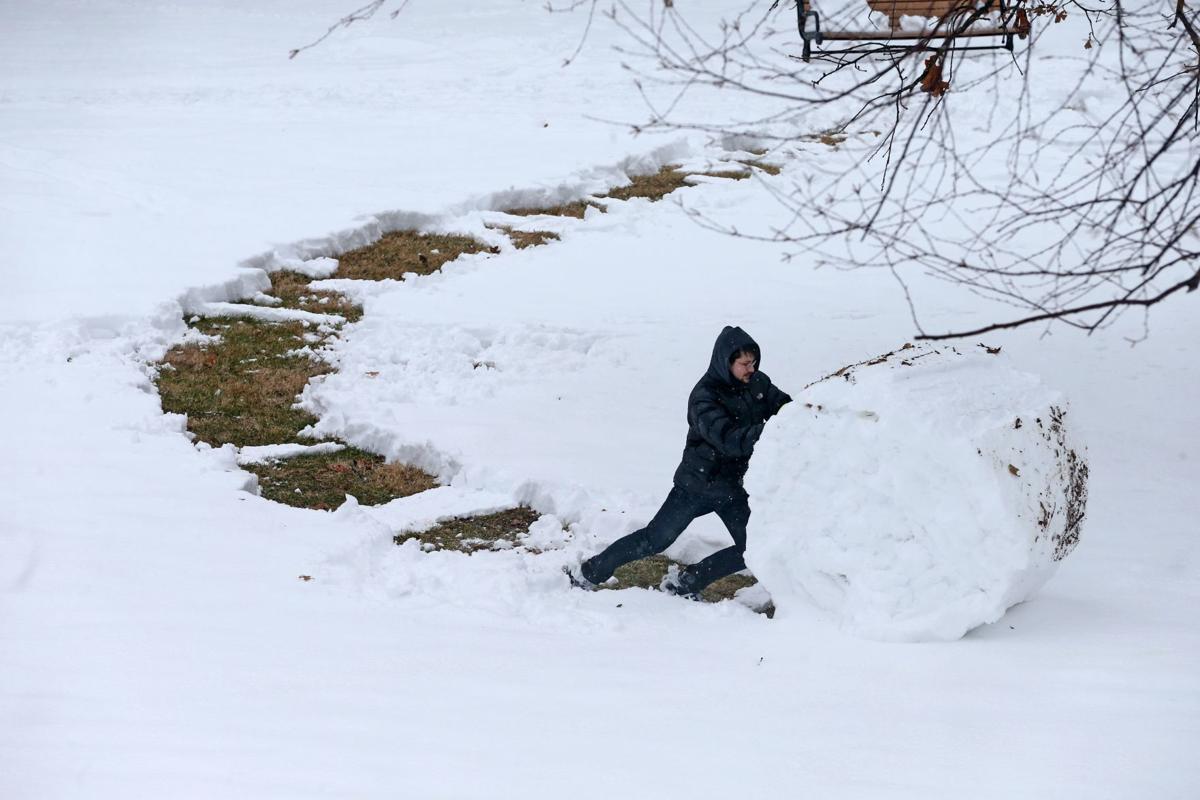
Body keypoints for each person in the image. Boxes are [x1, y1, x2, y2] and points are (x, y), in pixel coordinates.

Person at [569, 325, 792, 599]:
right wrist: (772, 430)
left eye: (754, 362)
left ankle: (688, 582)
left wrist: (807, 411)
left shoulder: (757, 383)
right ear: (726, 362)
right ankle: (590, 572)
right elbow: (729, 439)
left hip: (732, 487)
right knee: (655, 539)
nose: (751, 369)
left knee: (753, 548)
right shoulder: (704, 396)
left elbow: (785, 407)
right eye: (745, 363)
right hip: (697, 485)